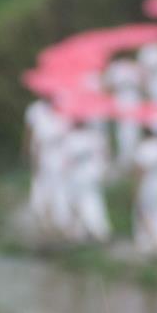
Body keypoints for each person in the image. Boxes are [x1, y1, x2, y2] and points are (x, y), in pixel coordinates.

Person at [63, 118, 112, 242]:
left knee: (85, 202)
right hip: (92, 174)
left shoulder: (72, 138)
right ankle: (93, 229)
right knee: (92, 201)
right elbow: (104, 154)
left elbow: (67, 159)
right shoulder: (95, 136)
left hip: (80, 175)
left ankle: (92, 229)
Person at [24, 99, 69, 230]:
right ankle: (40, 212)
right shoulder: (37, 112)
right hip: (45, 155)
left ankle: (59, 217)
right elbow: (33, 137)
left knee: (58, 186)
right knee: (40, 183)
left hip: (58, 155)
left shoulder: (62, 114)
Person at [106, 59, 142, 166]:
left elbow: (142, 82)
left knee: (134, 126)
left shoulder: (133, 66)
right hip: (120, 98)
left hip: (133, 97)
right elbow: (108, 86)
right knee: (123, 128)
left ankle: (136, 154)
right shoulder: (114, 68)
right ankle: (125, 155)